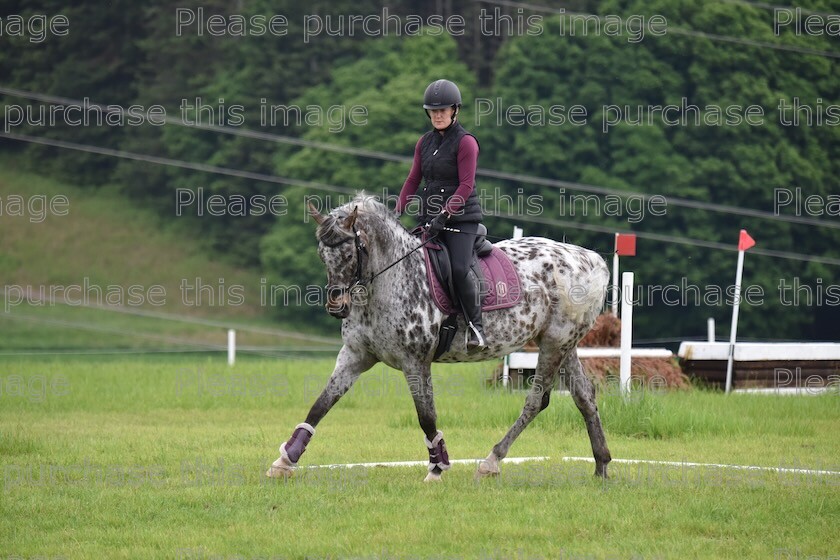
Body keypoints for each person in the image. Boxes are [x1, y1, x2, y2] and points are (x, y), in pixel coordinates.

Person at [396, 79, 486, 350]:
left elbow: (466, 185)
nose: (437, 115)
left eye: (443, 110)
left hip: (461, 221)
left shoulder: (466, 142)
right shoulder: (424, 142)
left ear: (455, 110)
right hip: (430, 221)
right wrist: (396, 213)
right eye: (433, 111)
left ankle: (476, 327)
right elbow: (413, 180)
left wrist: (445, 215)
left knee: (458, 270)